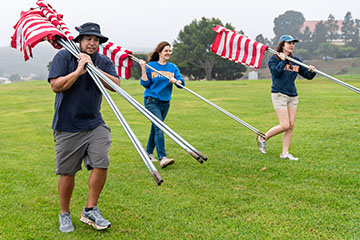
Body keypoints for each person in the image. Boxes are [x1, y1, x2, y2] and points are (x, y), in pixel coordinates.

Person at [48, 22, 120, 232]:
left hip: (94, 122)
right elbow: (56, 86)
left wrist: (93, 68)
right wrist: (80, 70)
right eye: (88, 38)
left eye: (96, 40)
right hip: (67, 125)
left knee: (102, 162)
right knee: (67, 172)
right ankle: (65, 213)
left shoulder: (102, 60)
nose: (92, 43)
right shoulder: (64, 56)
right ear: (79, 40)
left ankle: (90, 209)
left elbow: (116, 85)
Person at [256, 35, 316, 160]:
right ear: (282, 45)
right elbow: (276, 72)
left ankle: (284, 153)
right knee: (284, 125)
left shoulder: (296, 60)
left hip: (292, 95)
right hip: (279, 94)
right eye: (289, 43)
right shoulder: (274, 60)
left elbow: (308, 76)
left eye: (293, 43)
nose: (292, 45)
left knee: (291, 125)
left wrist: (311, 70)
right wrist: (283, 60)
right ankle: (263, 137)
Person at [138, 41, 185, 168]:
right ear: (159, 52)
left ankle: (148, 153)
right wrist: (143, 68)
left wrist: (177, 81)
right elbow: (145, 84)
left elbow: (181, 83)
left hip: (165, 102)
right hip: (151, 101)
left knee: (156, 127)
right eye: (166, 51)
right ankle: (162, 157)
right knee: (160, 127)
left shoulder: (172, 68)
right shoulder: (151, 66)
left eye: (170, 51)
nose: (168, 53)